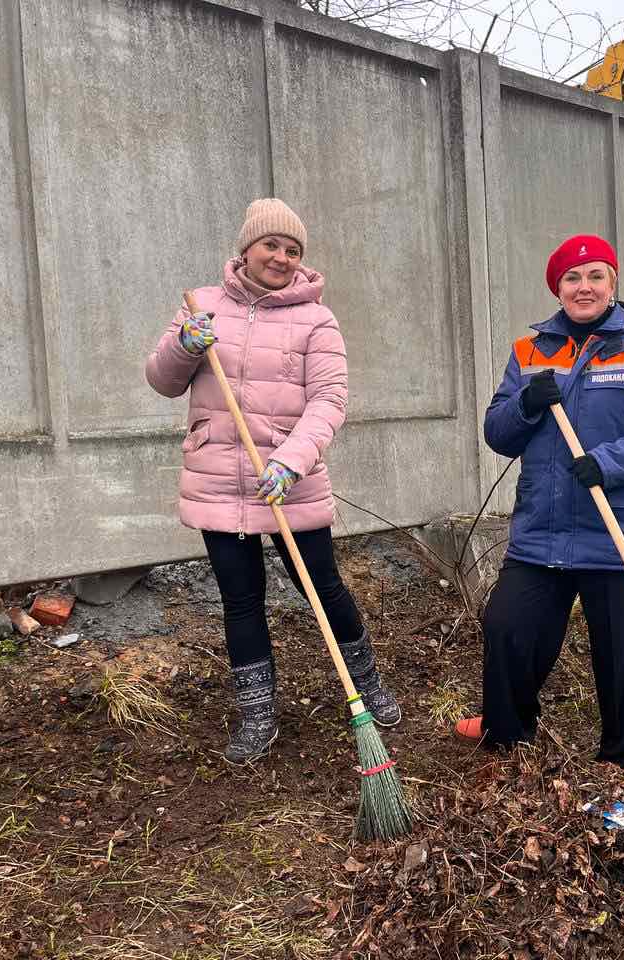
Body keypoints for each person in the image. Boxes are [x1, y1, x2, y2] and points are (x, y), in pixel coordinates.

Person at [145, 198, 400, 763]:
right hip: (219, 479)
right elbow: (163, 381)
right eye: (271, 245)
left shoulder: (316, 318)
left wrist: (293, 459)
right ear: (246, 248)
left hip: (290, 478)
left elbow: (330, 399)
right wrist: (184, 345)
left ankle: (367, 684)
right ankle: (258, 713)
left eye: (293, 250)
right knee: (242, 600)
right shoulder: (202, 306)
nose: (282, 258)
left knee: (323, 588)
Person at [454, 234, 624, 770]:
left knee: (623, 648)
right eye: (572, 278)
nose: (584, 287)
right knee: (508, 626)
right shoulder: (529, 352)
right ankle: (505, 728)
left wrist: (608, 464)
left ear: (613, 284)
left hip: (618, 530)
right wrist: (527, 404)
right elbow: (498, 432)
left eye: (595, 276)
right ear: (557, 288)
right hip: (545, 527)